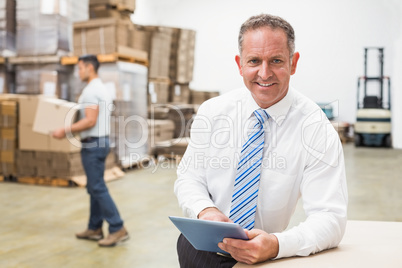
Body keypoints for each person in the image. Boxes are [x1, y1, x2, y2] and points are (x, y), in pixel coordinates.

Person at [174, 14, 348, 267]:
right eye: (254, 61)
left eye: (276, 60)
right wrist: (205, 210)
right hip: (199, 248)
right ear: (240, 64)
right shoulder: (213, 112)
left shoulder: (316, 130)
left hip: (263, 257)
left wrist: (277, 245)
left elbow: (330, 218)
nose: (264, 73)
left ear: (293, 62)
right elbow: (189, 177)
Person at [52, 54, 129, 247]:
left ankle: (117, 227)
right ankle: (94, 227)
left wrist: (65, 130)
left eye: (79, 68)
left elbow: (90, 120)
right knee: (95, 186)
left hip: (93, 144)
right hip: (101, 142)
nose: (78, 72)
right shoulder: (102, 88)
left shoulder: (90, 91)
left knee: (96, 187)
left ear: (89, 68)